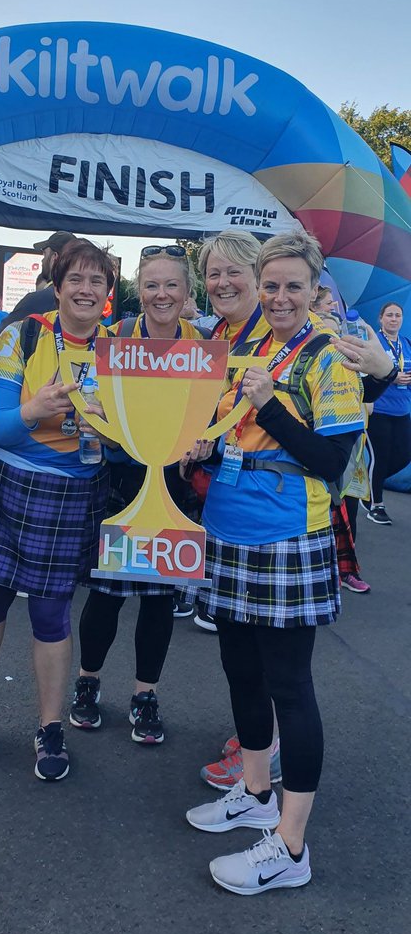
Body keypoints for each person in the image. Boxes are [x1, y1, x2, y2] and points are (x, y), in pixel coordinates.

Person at [185, 231, 364, 895]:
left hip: (290, 535)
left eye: (294, 286)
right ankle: (256, 791)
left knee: (290, 685)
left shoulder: (326, 355)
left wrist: (269, 406)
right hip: (230, 524)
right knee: (240, 667)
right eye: (273, 285)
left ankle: (290, 847)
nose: (281, 296)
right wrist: (201, 454)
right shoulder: (246, 347)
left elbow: (331, 461)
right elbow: (236, 434)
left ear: (315, 290)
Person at [0, 238, 115, 782]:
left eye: (97, 280)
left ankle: (49, 727)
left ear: (108, 293)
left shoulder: (121, 351)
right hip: (9, 486)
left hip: (73, 496)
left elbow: (138, 441)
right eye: (76, 279)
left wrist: (111, 434)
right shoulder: (19, 336)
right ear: (58, 285)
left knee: (51, 615)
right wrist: (35, 408)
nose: (85, 289)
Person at [69, 244, 206, 746]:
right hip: (122, 484)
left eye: (172, 285)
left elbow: (217, 411)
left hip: (173, 487)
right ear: (137, 291)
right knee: (105, 597)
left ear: (187, 292)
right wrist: (100, 427)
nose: (161, 294)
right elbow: (93, 406)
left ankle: (145, 694)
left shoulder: (204, 342)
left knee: (159, 601)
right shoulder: (117, 338)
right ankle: (87, 682)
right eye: (152, 285)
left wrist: (207, 436)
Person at [192, 230, 270, 632]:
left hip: (271, 504)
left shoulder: (284, 330)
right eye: (213, 273)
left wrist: (383, 374)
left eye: (233, 272)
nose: (222, 283)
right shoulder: (215, 335)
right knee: (235, 649)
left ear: (257, 275)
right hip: (223, 494)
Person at [363, 302, 411, 524]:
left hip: (401, 410)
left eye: (398, 315)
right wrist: (392, 377)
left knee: (403, 455)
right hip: (379, 409)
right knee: (379, 457)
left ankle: (368, 486)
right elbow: (364, 373)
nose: (394, 319)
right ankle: (376, 505)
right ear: (380, 319)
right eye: (389, 315)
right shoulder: (374, 344)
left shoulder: (407, 344)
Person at [2, 230, 77, 323]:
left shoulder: (35, 301)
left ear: (54, 257)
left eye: (45, 254)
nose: (42, 261)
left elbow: (4, 335)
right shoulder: (85, 300)